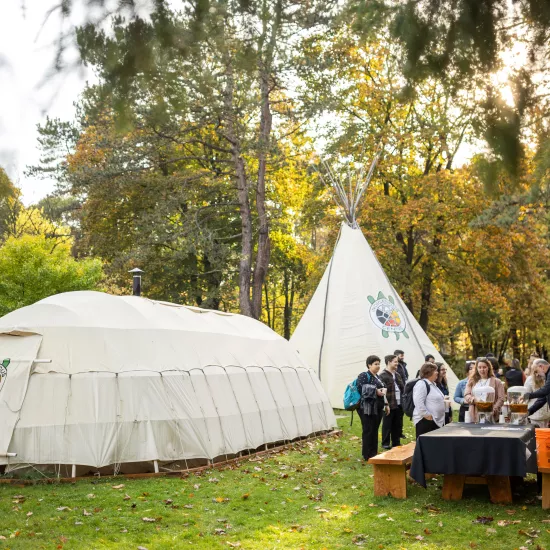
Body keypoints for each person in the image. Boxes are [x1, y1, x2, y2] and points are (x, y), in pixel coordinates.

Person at [356, 355, 390, 460]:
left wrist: (386, 404)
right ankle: (367, 454)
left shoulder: (378, 377)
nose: (378, 366)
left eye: (379, 364)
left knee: (375, 429)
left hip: (378, 407)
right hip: (366, 408)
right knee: (368, 429)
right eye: (375, 364)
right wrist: (376, 391)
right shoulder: (364, 375)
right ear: (369, 365)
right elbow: (362, 388)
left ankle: (373, 452)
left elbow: (383, 391)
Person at [464, 357, 505, 422]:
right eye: (479, 367)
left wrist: (493, 409)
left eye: (484, 367)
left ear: (488, 368)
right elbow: (466, 395)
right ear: (476, 369)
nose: (482, 370)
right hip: (475, 414)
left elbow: (501, 398)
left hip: (491, 415)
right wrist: (473, 399)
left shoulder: (497, 382)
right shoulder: (471, 381)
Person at [413, 362, 446, 438]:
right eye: (435, 371)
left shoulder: (433, 384)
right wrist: (427, 415)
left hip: (435, 422)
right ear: (429, 372)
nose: (437, 373)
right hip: (426, 422)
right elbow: (418, 402)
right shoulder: (421, 384)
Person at [379, 354, 405, 450]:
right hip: (389, 404)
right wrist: (385, 404)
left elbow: (402, 388)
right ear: (389, 362)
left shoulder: (397, 375)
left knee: (397, 424)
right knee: (387, 424)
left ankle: (396, 442)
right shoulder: (383, 375)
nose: (397, 363)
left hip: (399, 403)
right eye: (395, 361)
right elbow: (382, 391)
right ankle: (385, 443)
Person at [525, 362, 550, 428]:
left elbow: (545, 390)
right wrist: (529, 411)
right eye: (535, 372)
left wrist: (528, 395)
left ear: (541, 366)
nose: (537, 374)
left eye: (537, 371)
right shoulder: (546, 376)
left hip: (545, 415)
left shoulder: (547, 376)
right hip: (536, 415)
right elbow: (544, 397)